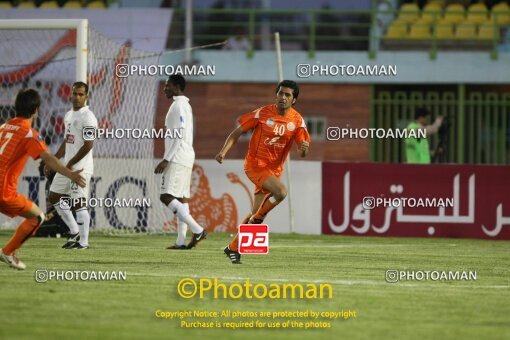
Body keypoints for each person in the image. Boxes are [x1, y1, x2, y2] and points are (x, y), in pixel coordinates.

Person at [216, 80, 310, 264]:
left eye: (288, 95)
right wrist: (223, 151)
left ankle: (233, 248)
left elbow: (302, 151)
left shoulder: (297, 121)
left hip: (274, 171)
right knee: (281, 192)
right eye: (280, 93)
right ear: (276, 95)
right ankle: (257, 220)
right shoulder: (262, 113)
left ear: (294, 100)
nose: (283, 97)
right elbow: (237, 132)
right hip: (255, 165)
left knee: (255, 210)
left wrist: (305, 148)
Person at [0, 89, 86, 270]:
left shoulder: (4, 127)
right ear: (36, 110)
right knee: (37, 217)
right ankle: (7, 252)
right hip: (3, 191)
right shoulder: (28, 133)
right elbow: (48, 158)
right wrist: (70, 174)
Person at [154, 74, 206, 250]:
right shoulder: (182, 104)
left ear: (176, 86)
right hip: (184, 155)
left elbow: (180, 133)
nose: (164, 88)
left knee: (165, 196)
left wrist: (166, 160)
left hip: (177, 157)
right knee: (181, 199)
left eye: (167, 85)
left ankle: (197, 230)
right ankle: (180, 241)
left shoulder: (179, 105)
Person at [45, 82, 97, 250]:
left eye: (81, 94)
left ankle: (84, 242)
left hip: (81, 167)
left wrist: (71, 163)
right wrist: (54, 159)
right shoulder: (68, 115)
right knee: (53, 197)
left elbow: (89, 145)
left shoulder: (88, 117)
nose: (77, 97)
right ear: (71, 94)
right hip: (68, 166)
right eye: (75, 94)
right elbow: (67, 141)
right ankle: (74, 230)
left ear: (86, 97)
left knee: (79, 202)